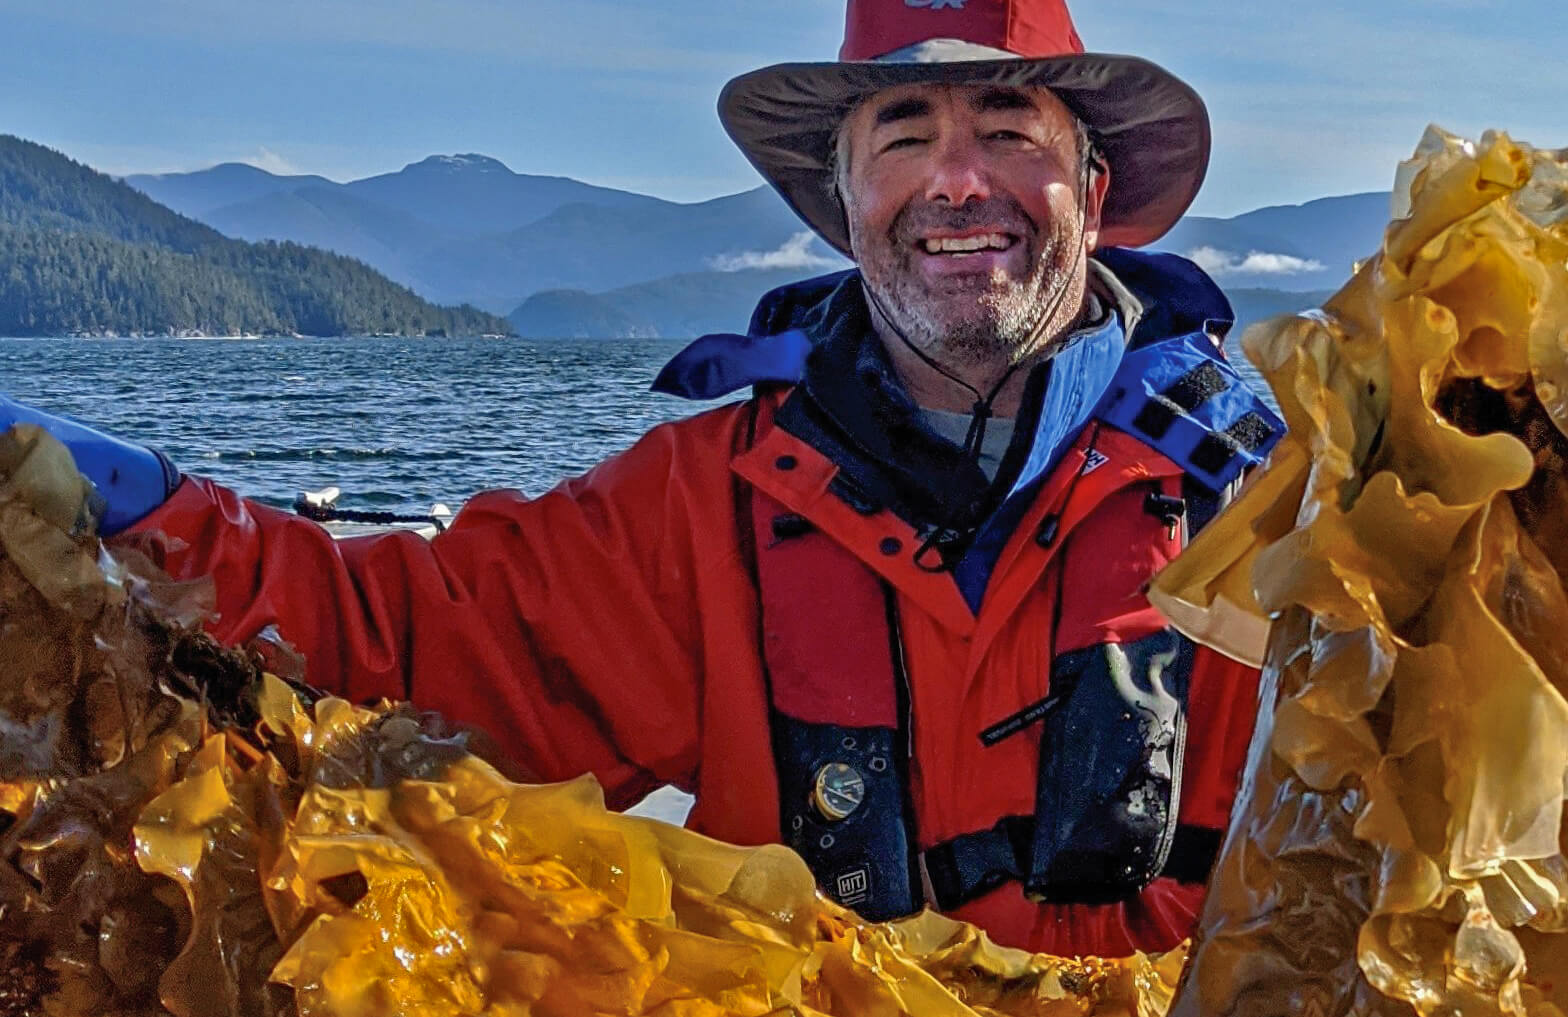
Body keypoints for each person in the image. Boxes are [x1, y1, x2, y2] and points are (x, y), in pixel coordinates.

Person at [1, 0, 1283, 957]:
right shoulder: (700, 503)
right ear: (841, 202)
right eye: (904, 136)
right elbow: (392, 640)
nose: (957, 180)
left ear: (1093, 190)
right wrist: (114, 498)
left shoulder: (1279, 497)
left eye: (1010, 130)